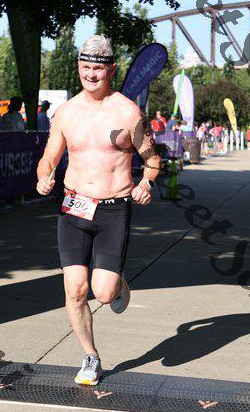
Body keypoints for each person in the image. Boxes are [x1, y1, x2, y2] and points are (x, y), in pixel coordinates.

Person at [36, 35, 161, 386]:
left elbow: (152, 160)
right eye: (85, 67)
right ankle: (90, 356)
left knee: (102, 293)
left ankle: (117, 285)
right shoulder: (66, 112)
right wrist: (44, 176)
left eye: (98, 69)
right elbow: (48, 158)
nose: (91, 75)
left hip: (112, 209)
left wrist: (146, 183)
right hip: (74, 207)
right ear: (78, 67)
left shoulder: (127, 112)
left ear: (111, 70)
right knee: (75, 289)